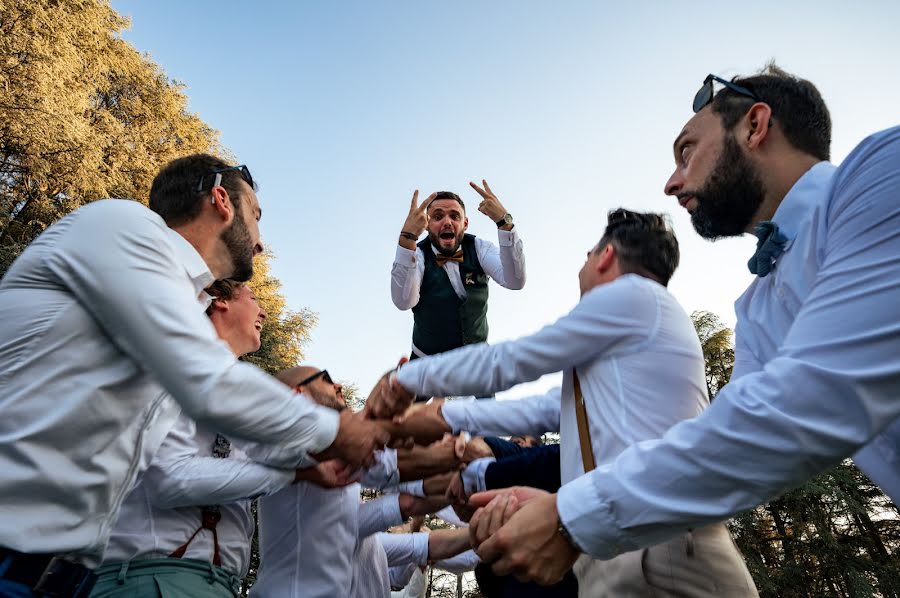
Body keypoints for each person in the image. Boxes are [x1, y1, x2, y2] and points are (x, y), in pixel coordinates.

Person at [467, 65, 900, 587]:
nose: (672, 182)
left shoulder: (882, 171)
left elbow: (811, 397)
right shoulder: (758, 308)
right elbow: (739, 449)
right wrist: (565, 503)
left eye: (687, 150)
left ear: (755, 125)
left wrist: (570, 517)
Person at [0, 154, 388, 597]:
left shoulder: (181, 311)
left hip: (66, 575)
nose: (260, 243)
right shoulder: (124, 226)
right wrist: (338, 431)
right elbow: (209, 386)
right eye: (257, 217)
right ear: (222, 201)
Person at [381, 209, 758, 596]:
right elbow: (543, 410)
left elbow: (513, 360)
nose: (585, 263)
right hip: (612, 543)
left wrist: (406, 383)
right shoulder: (623, 335)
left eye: (589, 254)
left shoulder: (635, 295)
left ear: (607, 256)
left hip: (662, 547)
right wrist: (446, 416)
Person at [91, 280, 300, 597]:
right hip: (153, 580)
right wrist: (290, 473)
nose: (264, 311)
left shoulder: (238, 390)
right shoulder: (173, 361)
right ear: (220, 302)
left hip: (218, 583)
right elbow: (167, 477)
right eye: (254, 298)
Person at [251, 366, 453, 598]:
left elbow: (408, 490)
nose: (339, 386)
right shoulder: (286, 441)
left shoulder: (341, 466)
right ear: (298, 395)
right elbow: (401, 470)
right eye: (327, 378)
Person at [390, 182, 525, 361]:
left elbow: (515, 281)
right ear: (427, 225)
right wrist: (408, 238)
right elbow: (403, 301)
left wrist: (504, 222)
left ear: (465, 223)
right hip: (427, 365)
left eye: (454, 216)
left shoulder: (479, 248)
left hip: (478, 363)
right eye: (438, 217)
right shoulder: (418, 255)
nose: (447, 222)